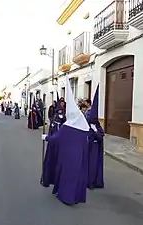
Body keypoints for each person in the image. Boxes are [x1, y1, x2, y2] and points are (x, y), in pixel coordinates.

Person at [41, 76, 90, 205]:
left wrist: (46, 137)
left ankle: (66, 196)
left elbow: (56, 138)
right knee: (76, 176)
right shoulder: (84, 126)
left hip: (66, 156)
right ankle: (75, 197)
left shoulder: (67, 126)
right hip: (79, 156)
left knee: (67, 176)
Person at [87, 85, 104, 189]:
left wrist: (95, 131)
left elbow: (100, 137)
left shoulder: (98, 127)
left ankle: (94, 182)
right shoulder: (87, 126)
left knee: (94, 166)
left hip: (96, 150)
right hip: (89, 149)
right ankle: (88, 181)